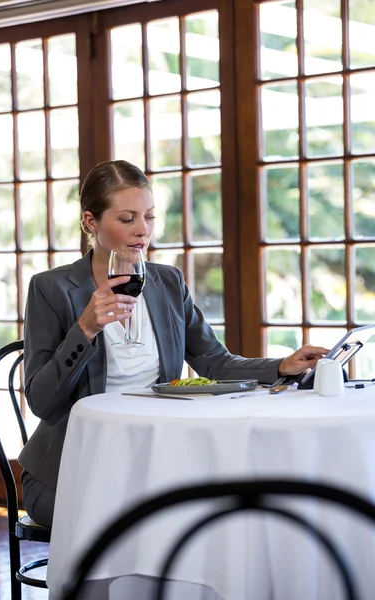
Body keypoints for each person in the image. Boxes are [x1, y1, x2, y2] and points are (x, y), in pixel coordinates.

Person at [18, 160, 328, 528]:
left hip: (154, 454)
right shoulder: (52, 289)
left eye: (149, 216)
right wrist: (84, 329)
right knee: (148, 517)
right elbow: (40, 400)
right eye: (127, 218)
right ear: (91, 222)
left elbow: (215, 362)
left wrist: (282, 366)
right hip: (72, 466)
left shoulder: (167, 283)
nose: (142, 231)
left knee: (211, 509)